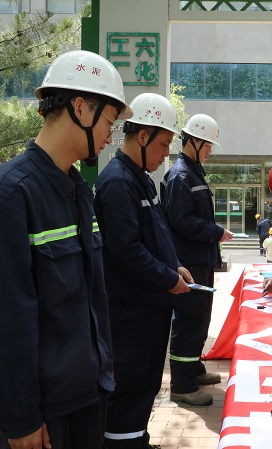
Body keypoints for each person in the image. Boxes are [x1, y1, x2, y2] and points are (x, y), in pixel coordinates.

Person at [0, 50, 130, 449]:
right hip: (41, 420)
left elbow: (91, 298)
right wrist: (19, 419)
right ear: (80, 108)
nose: (110, 137)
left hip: (86, 399)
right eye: (110, 121)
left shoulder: (77, 191)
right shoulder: (8, 196)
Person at [94, 92, 192, 449]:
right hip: (130, 316)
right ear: (143, 135)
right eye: (164, 143)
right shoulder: (117, 182)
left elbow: (154, 237)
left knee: (146, 384)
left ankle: (137, 439)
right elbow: (127, 251)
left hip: (148, 311)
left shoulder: (141, 179)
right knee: (130, 388)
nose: (166, 153)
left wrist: (175, 266)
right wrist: (168, 279)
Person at [161, 113, 234, 407]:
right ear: (193, 141)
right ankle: (182, 384)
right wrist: (216, 231)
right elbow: (181, 220)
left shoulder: (192, 172)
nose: (210, 151)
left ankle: (194, 369)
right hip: (189, 264)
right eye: (207, 145)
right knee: (189, 322)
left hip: (200, 261)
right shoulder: (180, 175)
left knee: (201, 321)